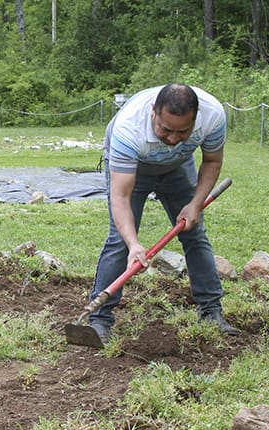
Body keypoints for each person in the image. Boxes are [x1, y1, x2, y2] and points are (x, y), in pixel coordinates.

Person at [88, 83, 240, 343]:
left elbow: (212, 161)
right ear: (153, 113)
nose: (171, 139)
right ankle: (99, 320)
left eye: (183, 131)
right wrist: (134, 243)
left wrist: (195, 203)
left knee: (195, 234)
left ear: (196, 118)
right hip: (135, 169)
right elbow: (121, 197)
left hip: (178, 167)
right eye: (165, 129)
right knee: (120, 242)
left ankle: (211, 311)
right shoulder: (129, 128)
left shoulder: (213, 115)